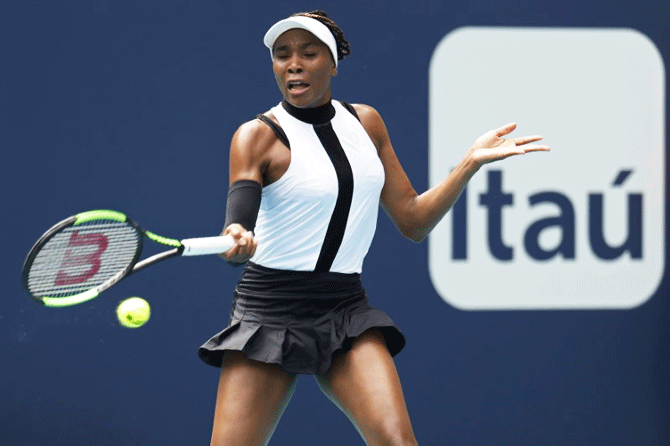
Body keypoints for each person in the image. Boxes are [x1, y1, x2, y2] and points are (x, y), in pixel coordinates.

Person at [198, 10, 549, 446]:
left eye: (309, 53)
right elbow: (241, 208)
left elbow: (413, 221)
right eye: (282, 54)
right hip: (269, 311)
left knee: (398, 442)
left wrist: (469, 163)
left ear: (334, 63)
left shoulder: (366, 123)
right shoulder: (256, 135)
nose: (294, 64)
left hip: (345, 309)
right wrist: (236, 234)